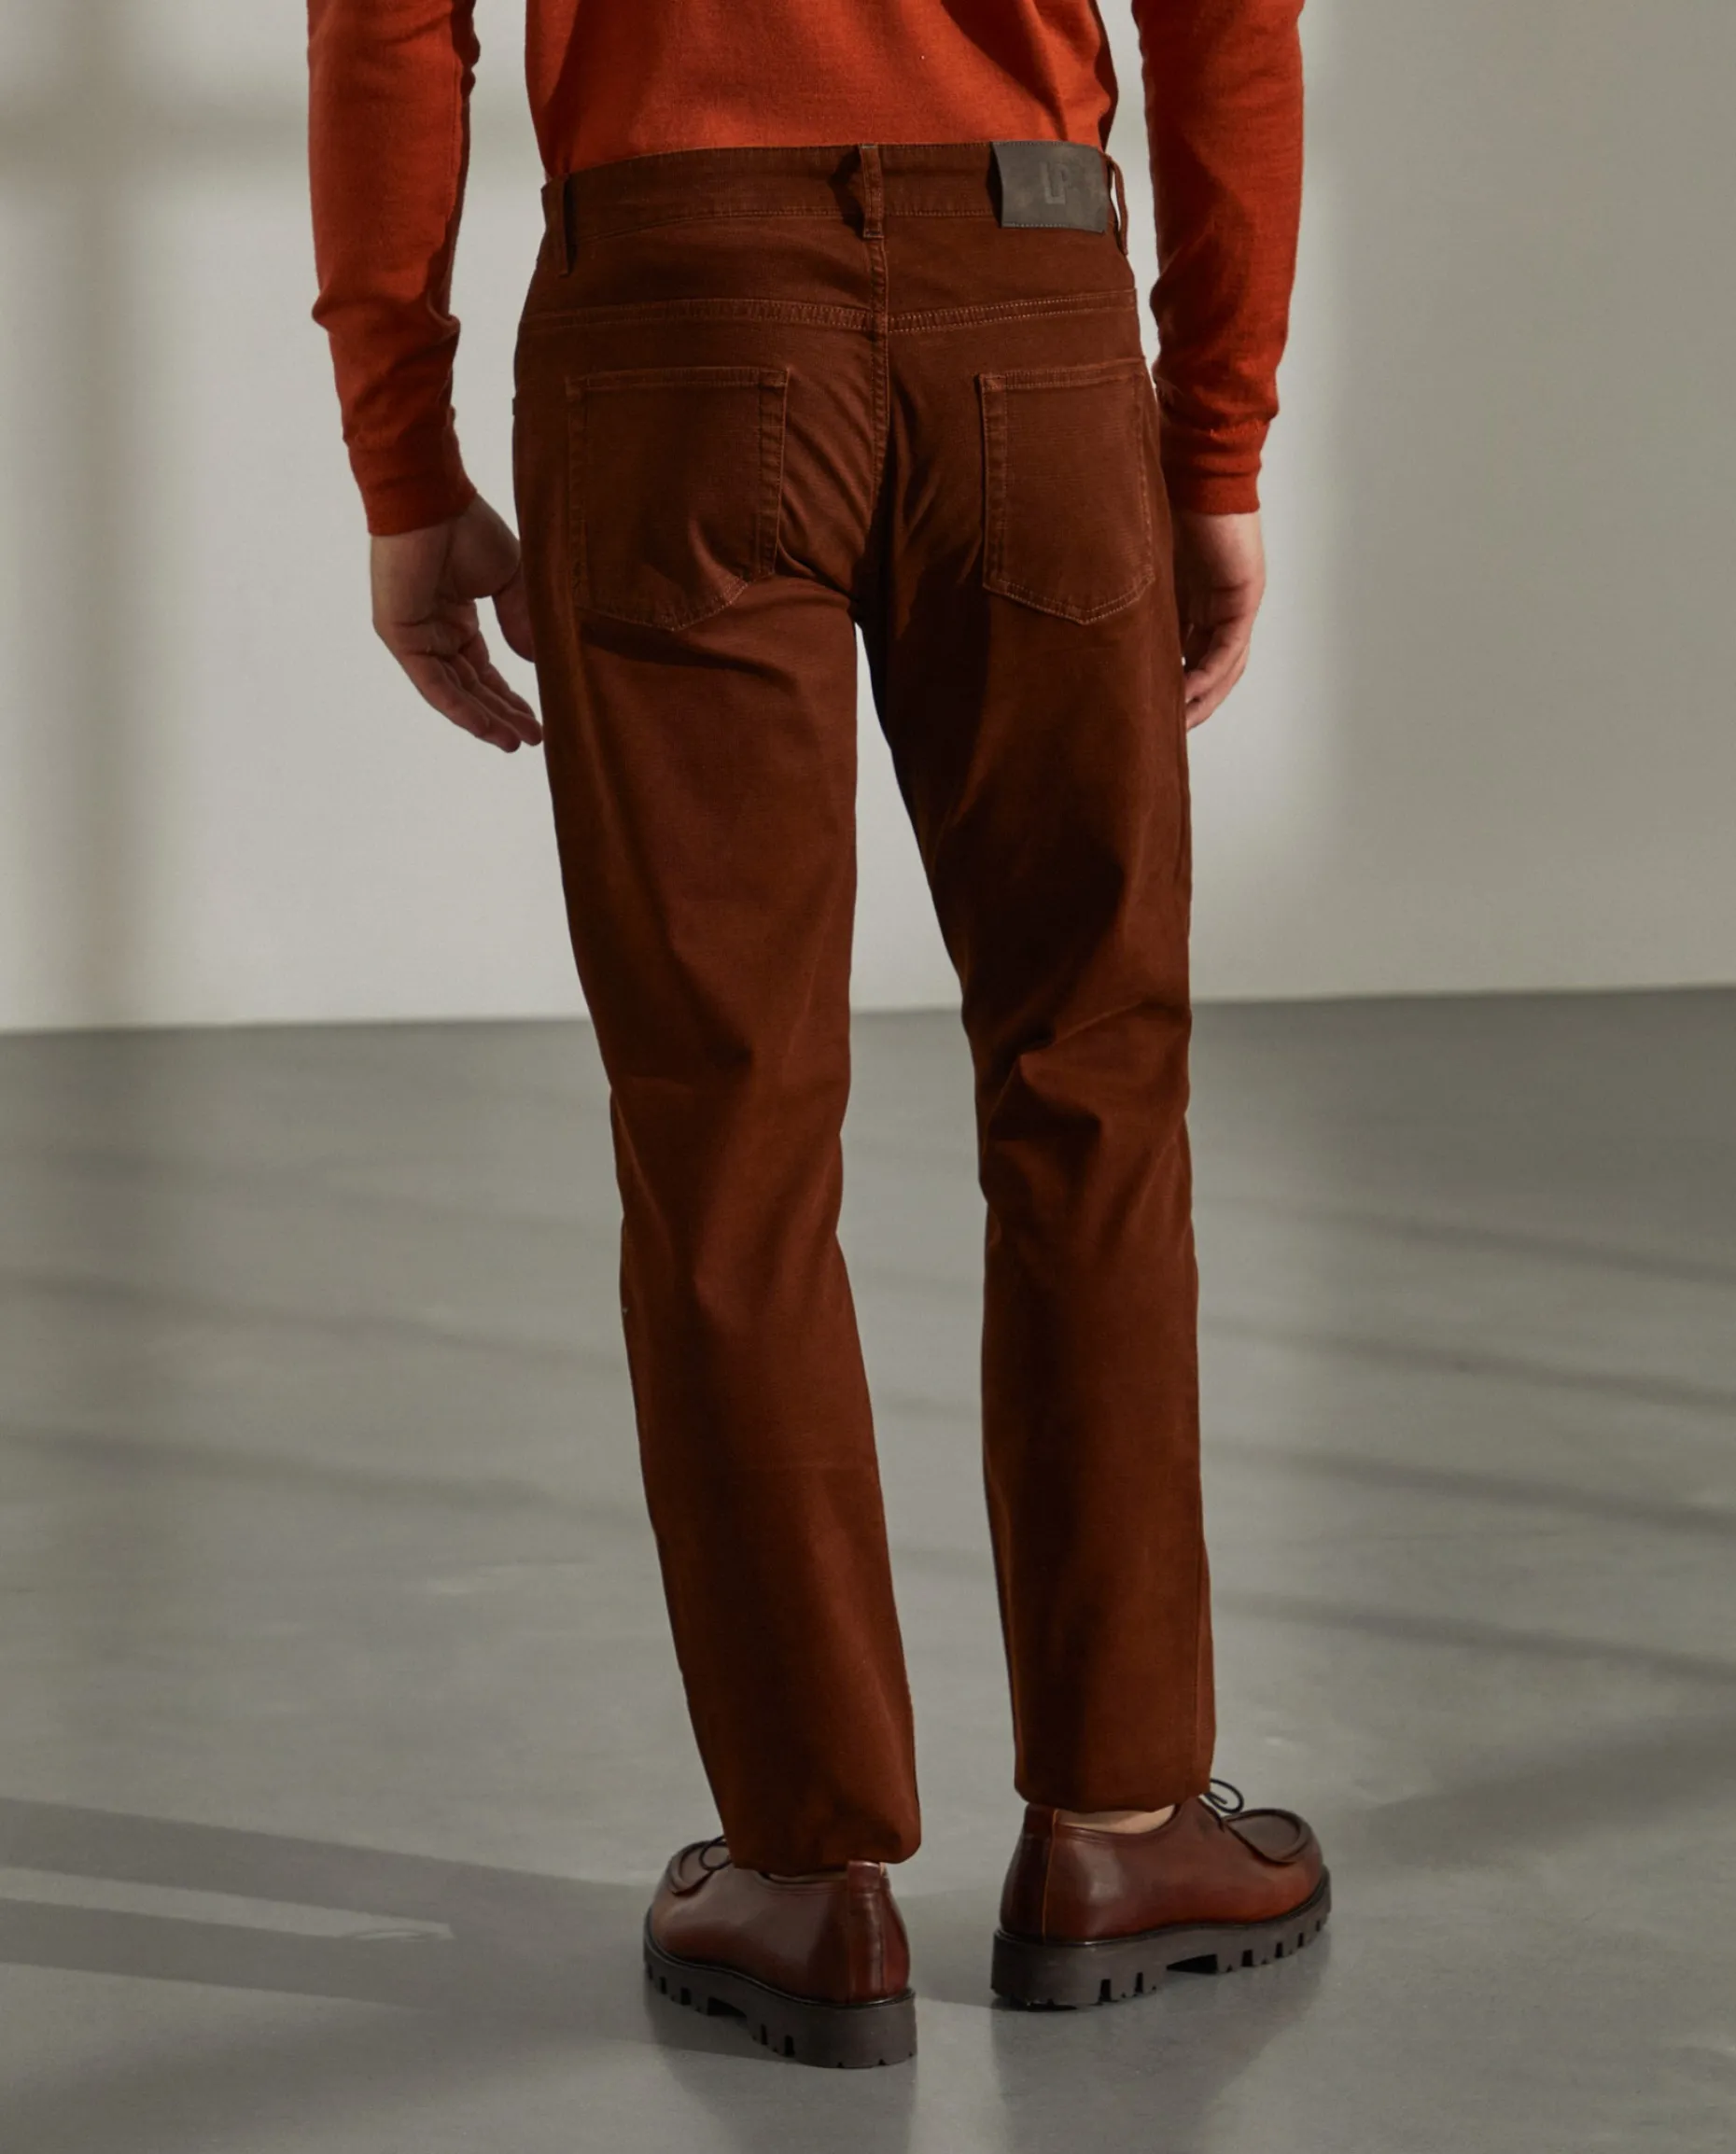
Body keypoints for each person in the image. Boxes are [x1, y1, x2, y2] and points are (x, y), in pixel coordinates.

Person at [307, 0, 1327, 2070]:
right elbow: (1230, 22)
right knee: (1090, 1081)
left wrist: (404, 465)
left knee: (725, 1118)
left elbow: (388, 25)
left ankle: (803, 1873)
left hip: (666, 319)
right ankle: (1122, 1828)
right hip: (1030, 295)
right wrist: (1211, 441)